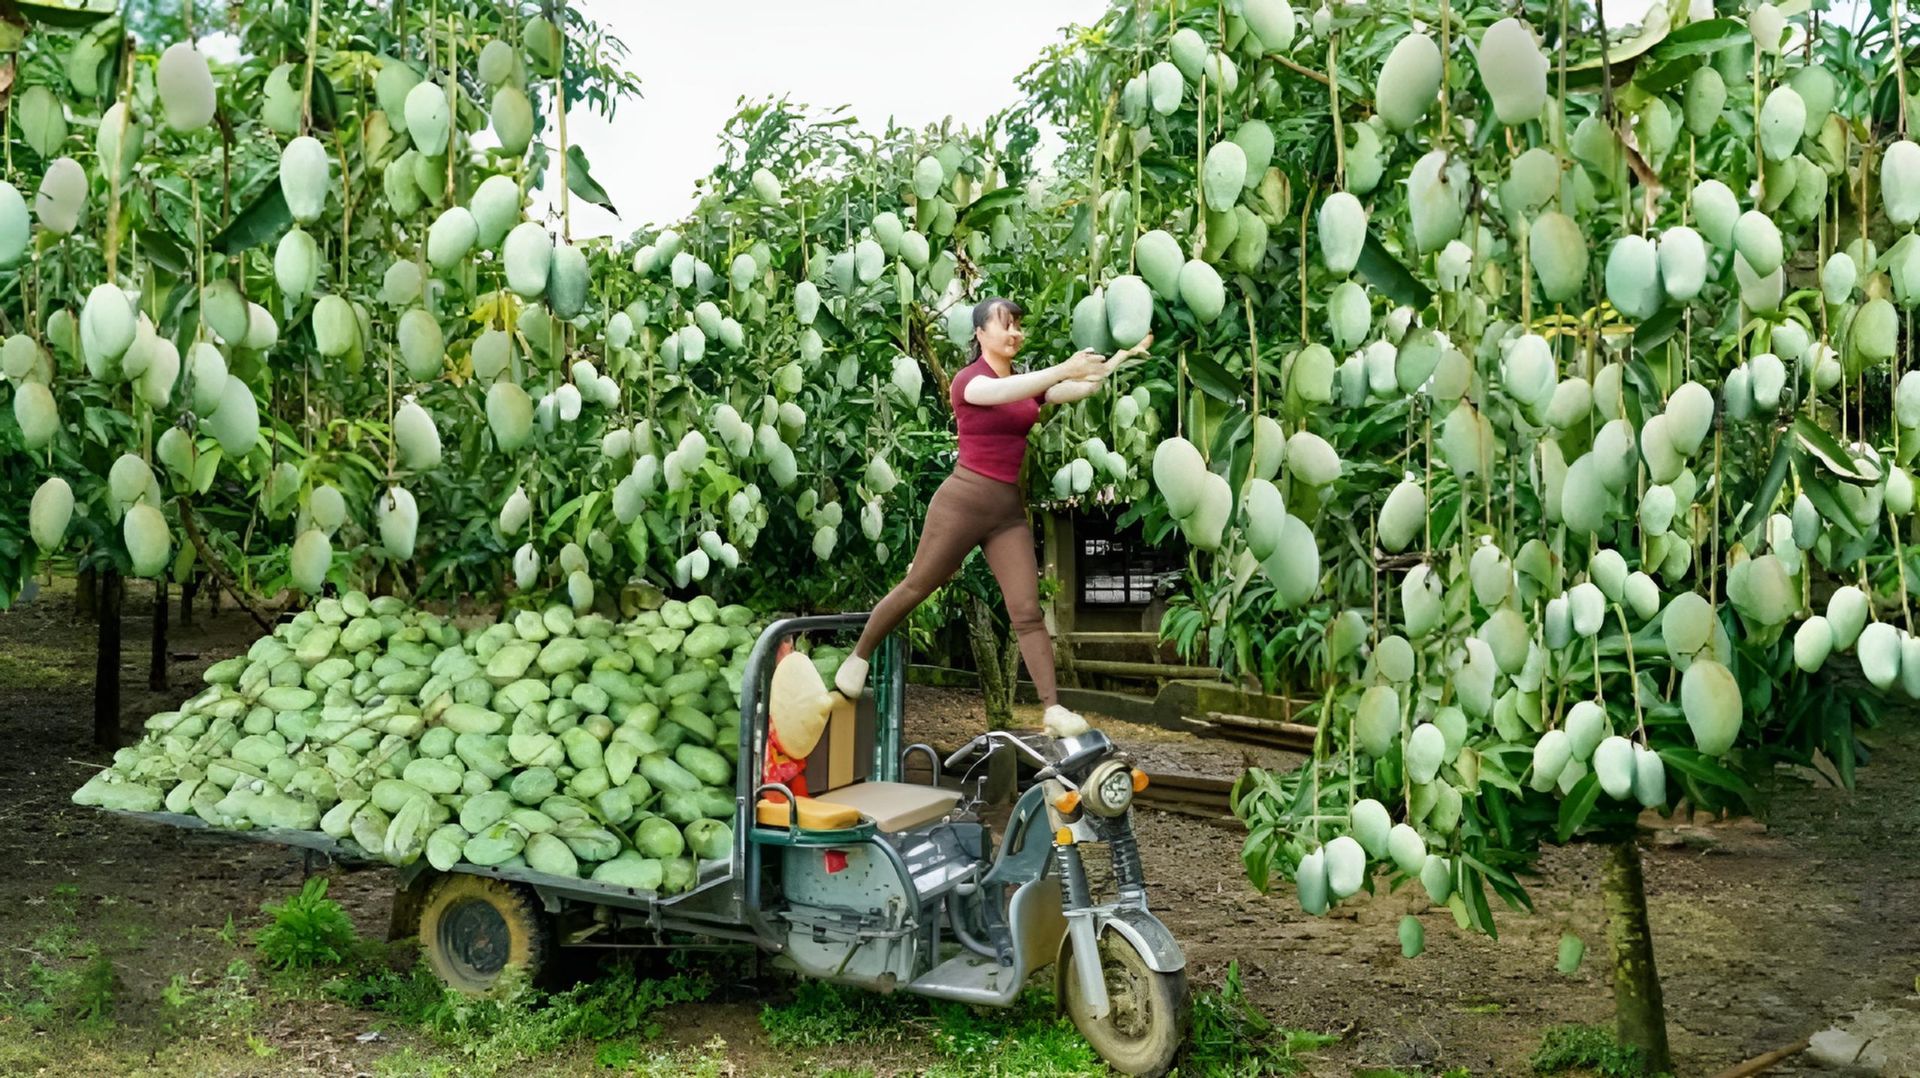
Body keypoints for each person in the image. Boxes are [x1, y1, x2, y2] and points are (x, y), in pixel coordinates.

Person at [830, 296, 1150, 737]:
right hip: (962, 502)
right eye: (1007, 325)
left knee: (1027, 611)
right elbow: (1011, 391)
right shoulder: (969, 381)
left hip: (1005, 514)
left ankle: (1053, 710)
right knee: (919, 585)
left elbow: (1080, 387)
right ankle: (859, 655)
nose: (1015, 333)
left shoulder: (1025, 383)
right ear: (980, 332)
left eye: (1019, 326)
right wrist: (1063, 369)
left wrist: (1121, 355)